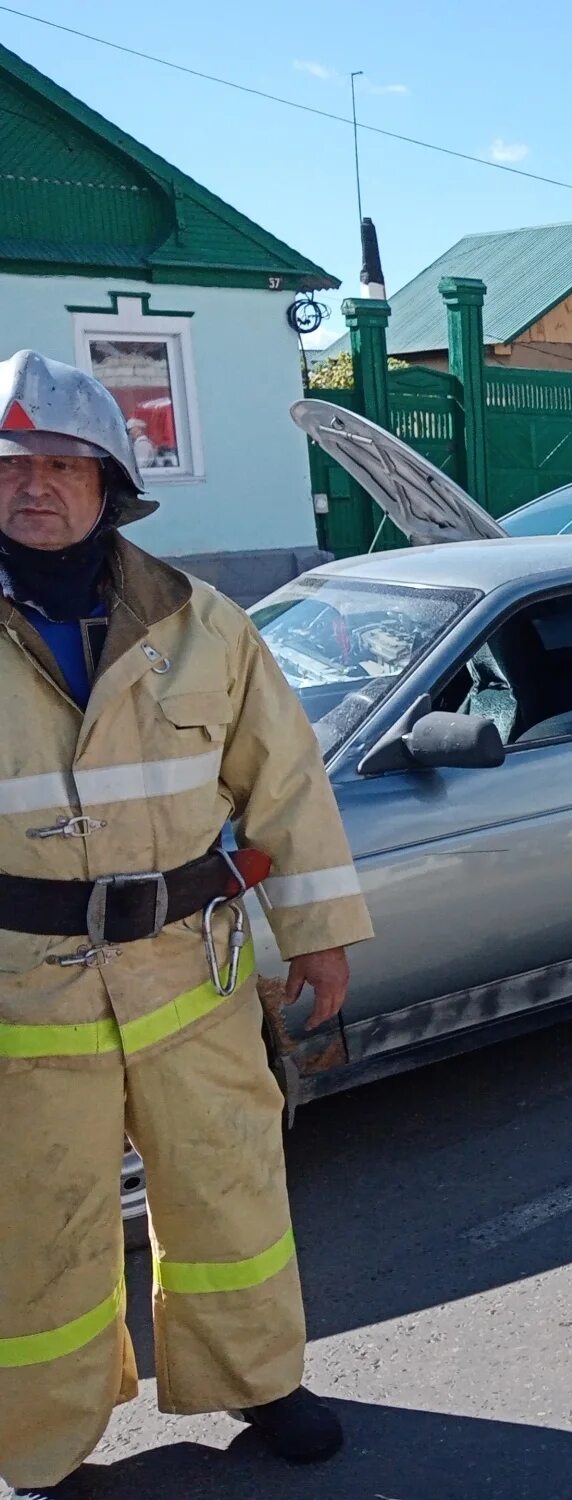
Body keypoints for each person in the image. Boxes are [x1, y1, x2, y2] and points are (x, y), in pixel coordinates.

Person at [0, 351, 373, 1496]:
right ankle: (44, 1442)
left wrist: (320, 934)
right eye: (11, 466)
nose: (35, 486)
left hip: (188, 968)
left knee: (229, 1189)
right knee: (35, 1220)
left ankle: (259, 1379)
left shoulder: (204, 624)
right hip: (20, 992)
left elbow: (287, 785)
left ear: (110, 482)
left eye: (64, 464)